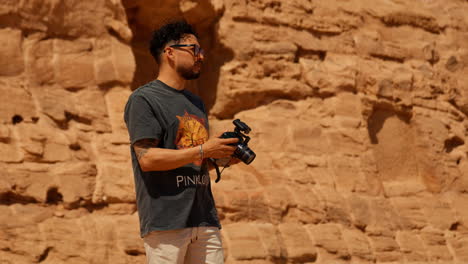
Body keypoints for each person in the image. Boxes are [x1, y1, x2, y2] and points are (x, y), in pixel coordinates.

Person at [123, 20, 239, 264]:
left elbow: (192, 161)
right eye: (194, 49)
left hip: (204, 219)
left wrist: (223, 157)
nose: (201, 56)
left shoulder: (195, 103)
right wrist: (203, 149)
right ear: (170, 53)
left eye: (202, 51)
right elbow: (148, 159)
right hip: (167, 223)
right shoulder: (144, 99)